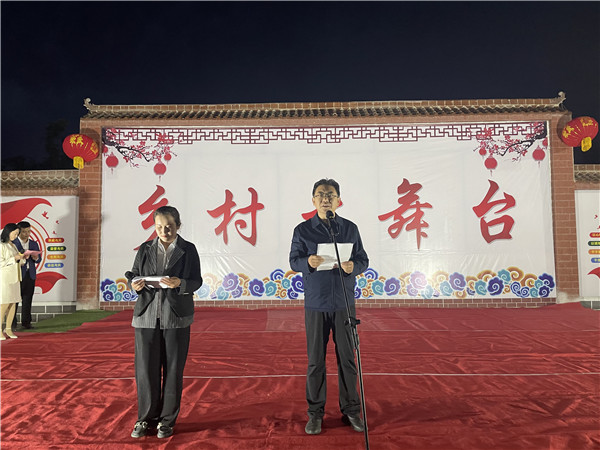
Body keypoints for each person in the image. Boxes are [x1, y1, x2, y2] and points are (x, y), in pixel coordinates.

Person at [289, 178, 369, 435]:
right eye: (321, 195)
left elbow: (363, 259)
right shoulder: (303, 230)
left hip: (344, 303)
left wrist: (353, 267)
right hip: (316, 303)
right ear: (313, 200)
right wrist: (308, 262)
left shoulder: (349, 229)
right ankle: (315, 414)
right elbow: (293, 260)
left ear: (338, 200)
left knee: (347, 359)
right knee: (316, 361)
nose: (326, 199)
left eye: (330, 195)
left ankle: (352, 411)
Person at [127, 206, 202, 439]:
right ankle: (145, 418)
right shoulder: (146, 248)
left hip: (176, 316)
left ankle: (167, 421)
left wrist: (180, 283)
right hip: (146, 316)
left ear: (178, 225)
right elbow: (134, 274)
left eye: (169, 226)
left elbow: (196, 281)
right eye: (159, 227)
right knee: (145, 370)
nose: (164, 231)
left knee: (173, 370)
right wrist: (134, 284)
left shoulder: (188, 249)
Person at [12, 221, 41, 330]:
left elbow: (39, 259)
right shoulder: (13, 243)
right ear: (19, 231)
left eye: (29, 231)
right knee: (14, 300)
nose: (27, 234)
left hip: (30, 275)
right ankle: (12, 324)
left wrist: (36, 258)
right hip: (17, 274)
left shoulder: (33, 243)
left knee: (28, 299)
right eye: (24, 232)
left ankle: (26, 322)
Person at [1, 223, 25, 340]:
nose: (15, 236)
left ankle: (9, 329)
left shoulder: (13, 245)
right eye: (14, 234)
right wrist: (13, 259)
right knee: (4, 304)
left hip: (15, 278)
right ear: (7, 232)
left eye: (17, 234)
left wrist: (22, 259)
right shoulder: (1, 245)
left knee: (13, 303)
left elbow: (18, 262)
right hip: (5, 279)